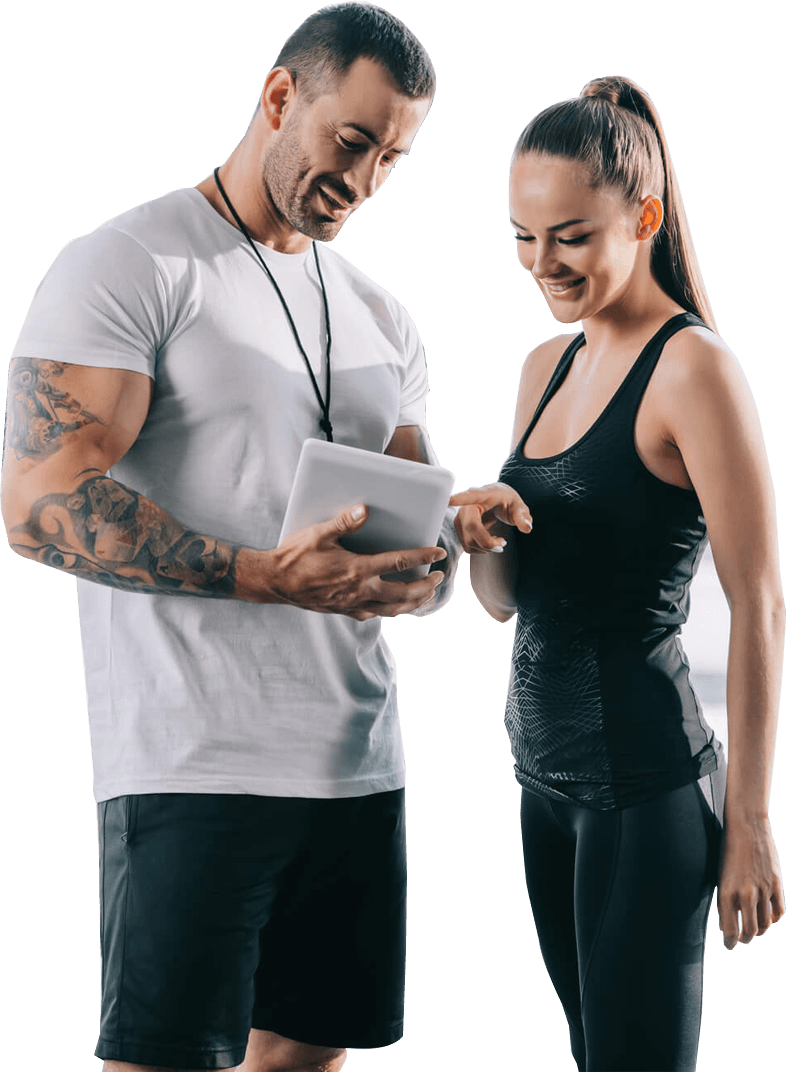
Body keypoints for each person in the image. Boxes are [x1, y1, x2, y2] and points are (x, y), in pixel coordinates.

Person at [0, 6, 472, 1071]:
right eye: (351, 141)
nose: (364, 179)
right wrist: (263, 575)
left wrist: (436, 557)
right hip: (192, 765)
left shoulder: (382, 316)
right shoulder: (130, 263)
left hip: (357, 767)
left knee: (311, 1057)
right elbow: (36, 501)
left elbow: (420, 525)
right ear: (277, 100)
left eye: (393, 158)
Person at [449, 76, 786, 1071]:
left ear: (643, 218)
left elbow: (759, 597)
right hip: (540, 784)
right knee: (590, 1049)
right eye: (522, 235)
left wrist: (752, 821)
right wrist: (484, 538)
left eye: (571, 236)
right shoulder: (538, 368)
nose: (541, 262)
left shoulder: (695, 369)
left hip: (645, 792)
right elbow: (509, 604)